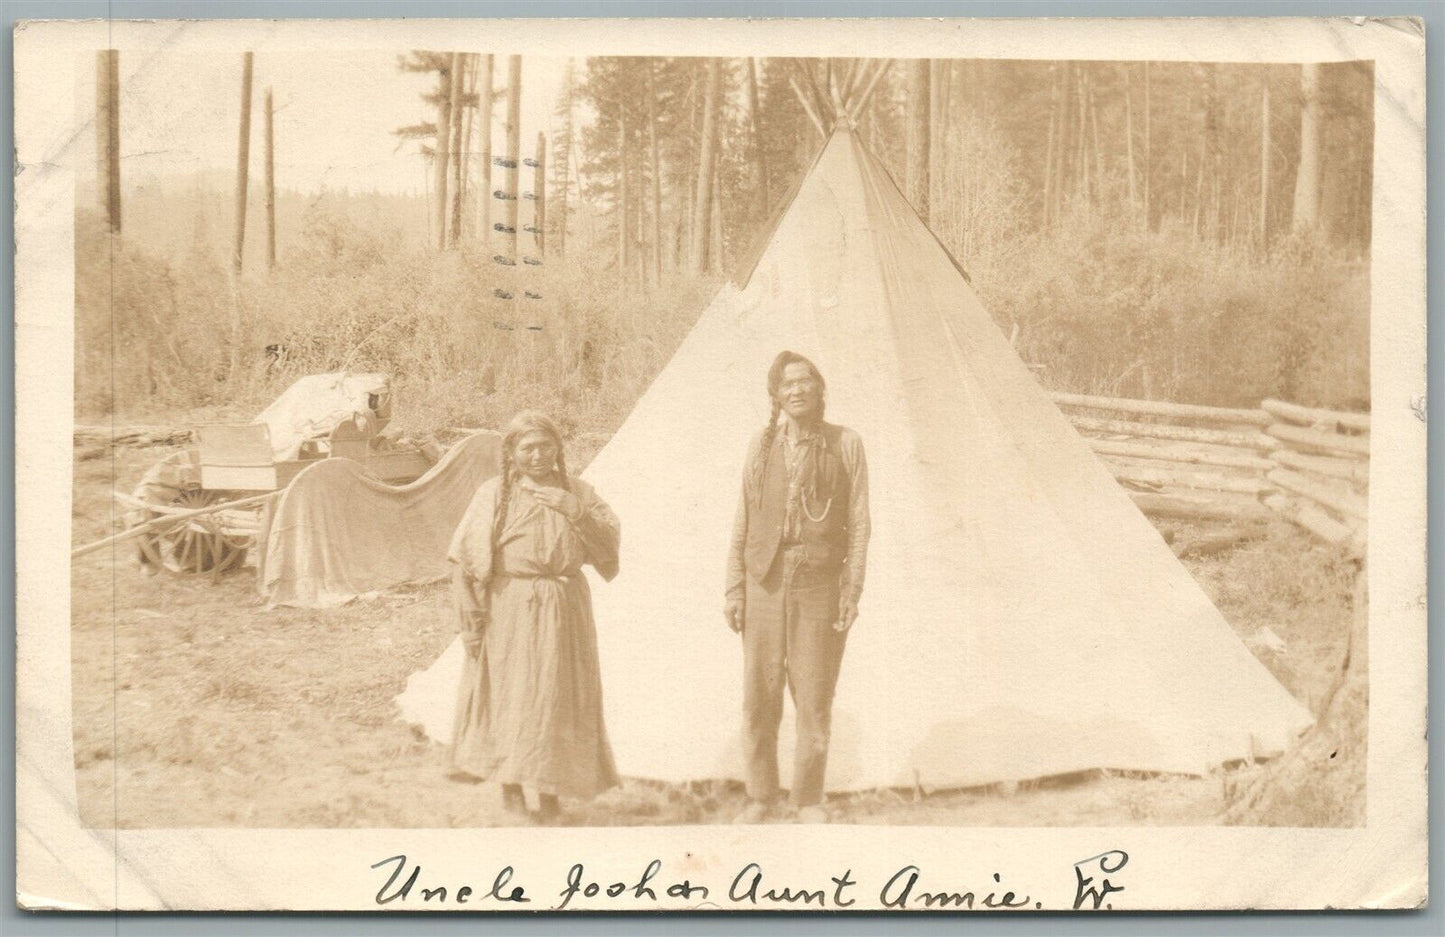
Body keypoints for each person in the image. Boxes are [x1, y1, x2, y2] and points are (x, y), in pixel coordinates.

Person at [446, 410, 622, 823]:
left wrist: (575, 511)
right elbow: (465, 563)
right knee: (513, 697)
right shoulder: (494, 495)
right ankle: (510, 789)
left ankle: (549, 794)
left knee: (556, 701)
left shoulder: (578, 491)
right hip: (511, 607)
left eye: (546, 446)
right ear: (510, 452)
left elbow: (608, 549)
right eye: (528, 448)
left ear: (559, 448)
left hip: (565, 609)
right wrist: (471, 623)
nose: (538, 455)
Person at [725, 351, 870, 824]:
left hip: (818, 582)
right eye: (787, 384)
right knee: (759, 696)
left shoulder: (846, 444)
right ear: (776, 394)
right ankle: (760, 796)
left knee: (813, 696)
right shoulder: (761, 444)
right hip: (764, 580)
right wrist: (734, 588)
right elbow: (744, 518)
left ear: (819, 388)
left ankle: (808, 799)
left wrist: (851, 591)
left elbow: (859, 523)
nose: (797, 390)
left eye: (805, 380)